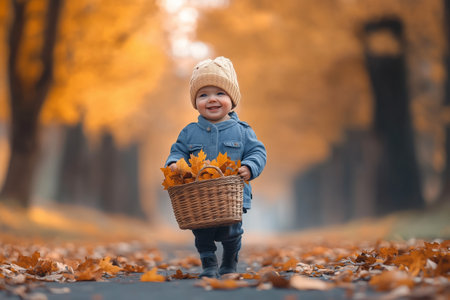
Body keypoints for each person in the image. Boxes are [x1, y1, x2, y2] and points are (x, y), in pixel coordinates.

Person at [165, 56, 267, 278]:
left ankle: (229, 261)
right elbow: (178, 151)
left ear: (232, 99)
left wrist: (250, 167)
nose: (212, 100)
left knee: (231, 231)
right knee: (202, 232)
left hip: (232, 195)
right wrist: (174, 164)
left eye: (220, 93)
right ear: (195, 102)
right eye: (203, 95)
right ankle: (209, 263)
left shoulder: (242, 131)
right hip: (198, 195)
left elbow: (258, 152)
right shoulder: (189, 132)